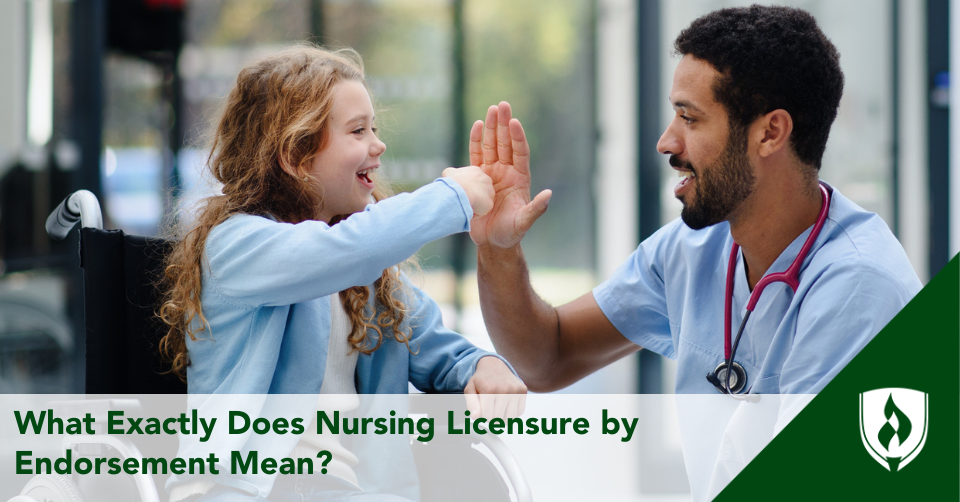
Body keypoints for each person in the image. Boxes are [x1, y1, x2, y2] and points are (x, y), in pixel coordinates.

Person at [469, 6, 922, 500]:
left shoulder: (859, 286)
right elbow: (547, 357)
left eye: (689, 117)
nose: (667, 141)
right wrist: (499, 250)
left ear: (770, 132)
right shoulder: (693, 249)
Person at [157, 45, 525, 501]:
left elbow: (433, 344)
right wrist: (452, 198)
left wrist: (482, 365)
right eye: (357, 131)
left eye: (374, 128)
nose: (378, 144)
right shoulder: (237, 246)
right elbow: (341, 251)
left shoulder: (368, 275)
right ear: (295, 154)